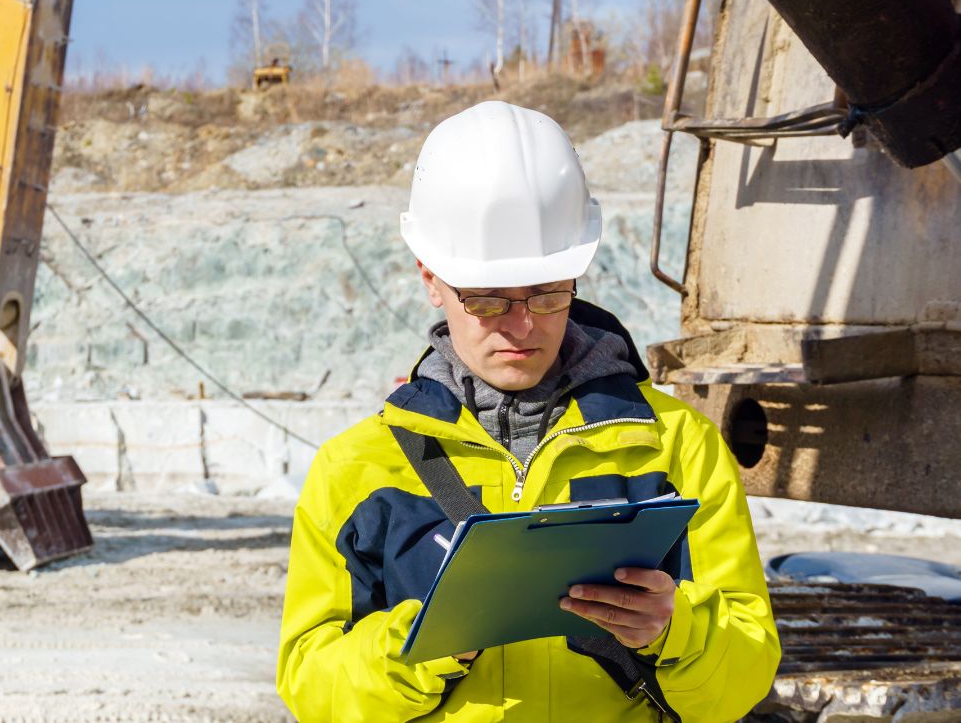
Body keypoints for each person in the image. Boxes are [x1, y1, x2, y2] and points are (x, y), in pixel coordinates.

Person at [275, 101, 780, 722]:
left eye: (546, 292)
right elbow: (310, 688)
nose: (523, 326)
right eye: (488, 299)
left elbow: (747, 673)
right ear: (432, 279)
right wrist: (420, 644)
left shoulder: (677, 446)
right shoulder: (356, 468)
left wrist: (677, 631)